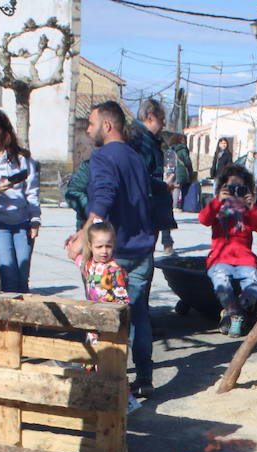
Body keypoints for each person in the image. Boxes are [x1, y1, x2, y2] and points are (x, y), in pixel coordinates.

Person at [66, 101, 157, 398]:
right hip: (143, 251)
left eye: (91, 124)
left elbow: (102, 201)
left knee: (108, 320)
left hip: (113, 256)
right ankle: (144, 378)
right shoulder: (135, 157)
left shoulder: (104, 156)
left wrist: (83, 238)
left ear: (107, 125)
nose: (88, 129)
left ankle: (112, 379)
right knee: (139, 317)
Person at [0, 108, 41, 293]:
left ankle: (24, 321)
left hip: (22, 223)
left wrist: (35, 220)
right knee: (8, 276)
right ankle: (11, 322)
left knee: (22, 276)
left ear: (4, 129)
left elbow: (32, 192)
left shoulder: (23, 159)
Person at [199, 164, 257, 337]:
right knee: (222, 285)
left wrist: (251, 207)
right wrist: (217, 201)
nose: (235, 192)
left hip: (244, 259)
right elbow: (204, 219)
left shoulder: (248, 209)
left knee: (253, 290)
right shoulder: (217, 206)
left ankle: (230, 312)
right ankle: (236, 315)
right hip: (220, 257)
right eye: (231, 187)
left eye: (240, 188)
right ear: (222, 187)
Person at [129, 99, 177, 258]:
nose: (163, 125)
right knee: (140, 266)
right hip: (143, 214)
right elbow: (138, 178)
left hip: (150, 212)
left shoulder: (149, 139)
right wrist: (163, 186)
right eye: (161, 120)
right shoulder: (139, 141)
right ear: (150, 117)